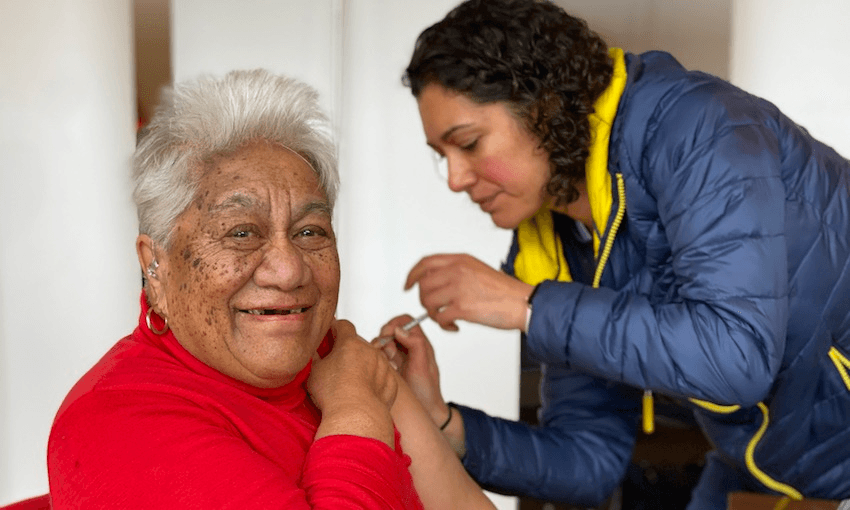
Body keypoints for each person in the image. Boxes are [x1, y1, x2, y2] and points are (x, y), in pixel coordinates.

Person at [375, 0, 850, 508]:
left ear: (543, 107)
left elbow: (735, 357)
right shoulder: (558, 238)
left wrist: (525, 306)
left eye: (468, 143)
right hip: (771, 467)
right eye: (441, 156)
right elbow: (587, 462)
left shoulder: (700, 130)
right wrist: (441, 422)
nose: (454, 179)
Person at [46, 69, 495, 510]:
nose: (288, 271)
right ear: (154, 266)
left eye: (310, 232)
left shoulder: (341, 358)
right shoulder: (118, 421)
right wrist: (356, 411)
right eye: (241, 233)